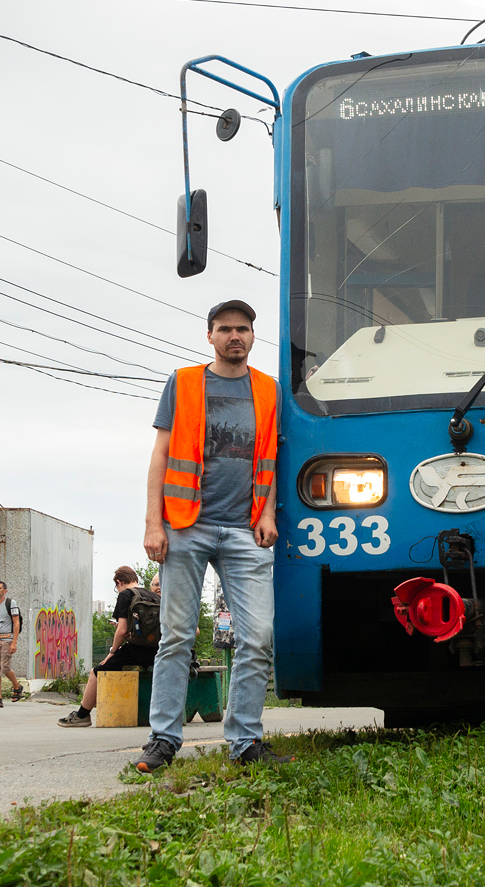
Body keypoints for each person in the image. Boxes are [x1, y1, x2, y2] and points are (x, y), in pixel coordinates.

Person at [134, 299, 286, 773]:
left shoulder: (268, 389)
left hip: (246, 529)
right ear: (210, 336)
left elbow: (269, 459)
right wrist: (152, 523)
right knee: (176, 636)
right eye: (225, 329)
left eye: (242, 329)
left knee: (258, 636)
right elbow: (160, 454)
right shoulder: (183, 382)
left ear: (253, 336)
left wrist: (266, 514)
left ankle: (245, 741)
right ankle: (163, 738)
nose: (234, 336)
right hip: (186, 524)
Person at [58, 566, 157, 727]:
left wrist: (112, 651)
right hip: (158, 650)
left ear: (119, 582)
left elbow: (122, 630)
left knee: (97, 671)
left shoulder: (126, 595)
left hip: (137, 650)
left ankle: (82, 716)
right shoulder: (152, 595)